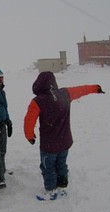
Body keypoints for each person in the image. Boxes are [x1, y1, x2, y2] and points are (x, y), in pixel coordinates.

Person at [24, 71, 105, 201]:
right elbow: (81, 90)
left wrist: (29, 136)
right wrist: (95, 88)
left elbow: (29, 121)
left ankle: (51, 191)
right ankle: (62, 186)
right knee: (61, 164)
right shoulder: (65, 93)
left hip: (49, 145)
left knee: (48, 167)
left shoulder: (37, 101)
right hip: (65, 142)